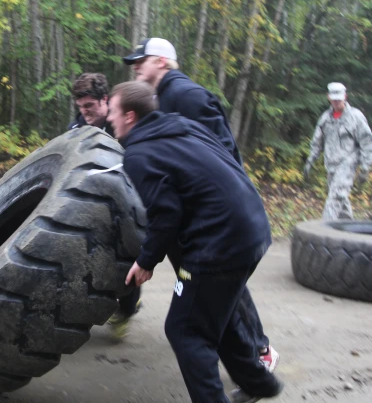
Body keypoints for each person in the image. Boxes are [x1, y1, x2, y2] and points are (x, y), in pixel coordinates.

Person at [109, 81, 283, 403]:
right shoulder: (183, 126)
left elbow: (166, 214)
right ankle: (261, 385)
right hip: (254, 229)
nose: (110, 120)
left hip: (219, 245)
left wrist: (146, 262)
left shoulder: (139, 153)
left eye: (113, 113)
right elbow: (227, 155)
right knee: (218, 316)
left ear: (130, 116)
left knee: (185, 330)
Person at [67, 73, 140, 338]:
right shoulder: (76, 130)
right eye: (80, 107)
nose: (84, 112)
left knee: (128, 264)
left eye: (90, 106)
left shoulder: (123, 127)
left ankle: (129, 309)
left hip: (127, 209)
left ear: (105, 100)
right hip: (91, 210)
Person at [304, 82, 372, 220]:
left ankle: (323, 230)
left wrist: (365, 168)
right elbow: (317, 141)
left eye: (339, 99)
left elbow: (367, 143)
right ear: (328, 97)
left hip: (348, 163)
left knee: (336, 196)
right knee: (341, 201)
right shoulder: (325, 118)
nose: (337, 102)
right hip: (331, 164)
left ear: (345, 97)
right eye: (334, 99)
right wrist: (311, 159)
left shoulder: (355, 117)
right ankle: (347, 231)